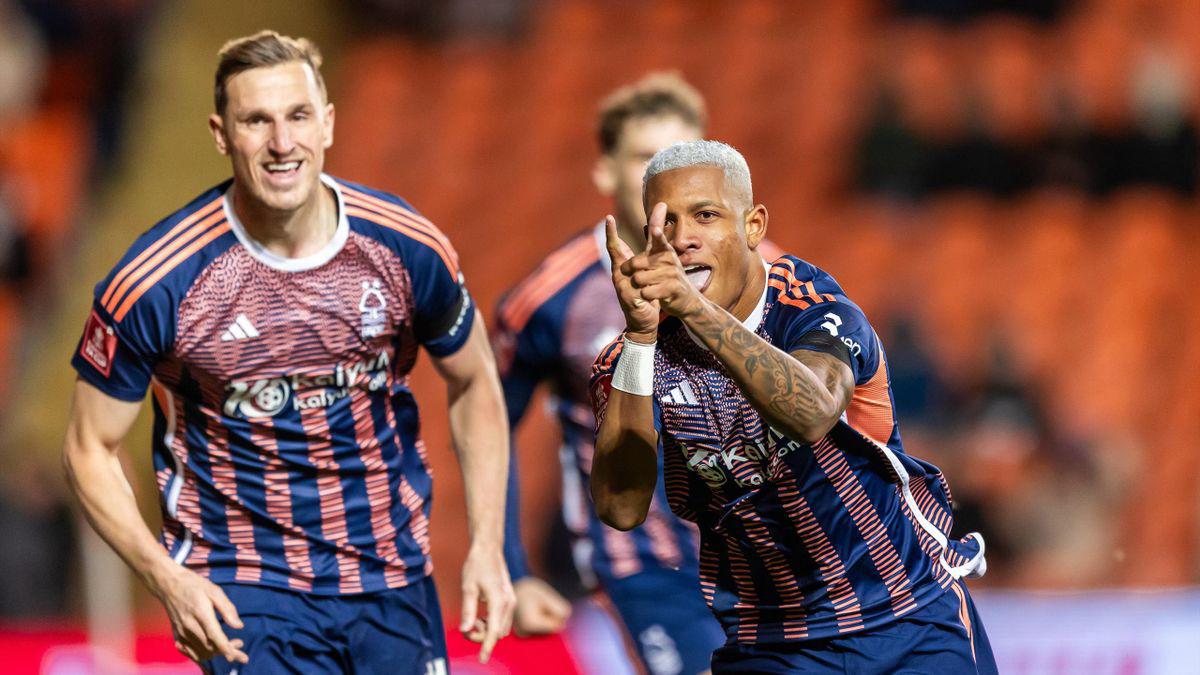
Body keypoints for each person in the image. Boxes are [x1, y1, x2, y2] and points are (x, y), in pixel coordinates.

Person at [62, 31, 514, 673]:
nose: (282, 143)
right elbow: (88, 447)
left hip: (392, 574)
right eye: (257, 121)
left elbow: (475, 381)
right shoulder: (157, 281)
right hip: (245, 584)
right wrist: (166, 577)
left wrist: (489, 546)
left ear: (326, 123)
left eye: (297, 116)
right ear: (221, 135)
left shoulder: (406, 247)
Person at [590, 140, 996, 674]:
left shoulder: (812, 308)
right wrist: (641, 340)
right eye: (665, 223)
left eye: (705, 216)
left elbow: (815, 411)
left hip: (908, 617)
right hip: (772, 644)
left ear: (753, 225)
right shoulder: (632, 360)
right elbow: (620, 509)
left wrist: (693, 310)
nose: (683, 238)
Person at [492, 73, 728, 675]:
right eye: (648, 158)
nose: (669, 177)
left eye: (685, 159)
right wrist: (511, 570)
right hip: (645, 567)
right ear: (605, 171)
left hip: (769, 559)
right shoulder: (551, 299)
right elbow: (487, 428)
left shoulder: (772, 281)